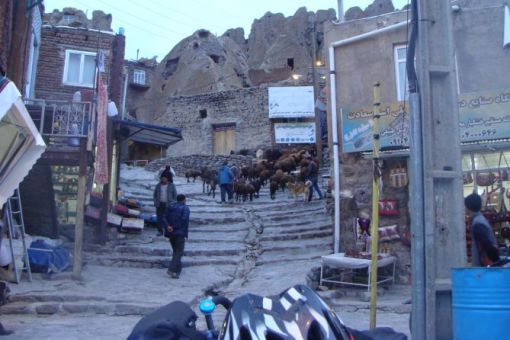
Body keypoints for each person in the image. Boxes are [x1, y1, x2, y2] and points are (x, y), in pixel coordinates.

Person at [464, 193, 500, 266]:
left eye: (465, 206)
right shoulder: (480, 220)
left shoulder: (478, 223)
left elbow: (487, 246)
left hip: (483, 269)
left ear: (468, 207)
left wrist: (494, 264)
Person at [163, 194, 190, 279]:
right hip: (179, 232)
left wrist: (168, 226)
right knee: (179, 252)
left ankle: (176, 272)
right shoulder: (185, 208)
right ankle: (172, 269)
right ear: (183, 200)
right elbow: (184, 220)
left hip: (170, 232)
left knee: (176, 251)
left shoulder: (170, 207)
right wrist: (174, 227)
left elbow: (164, 217)